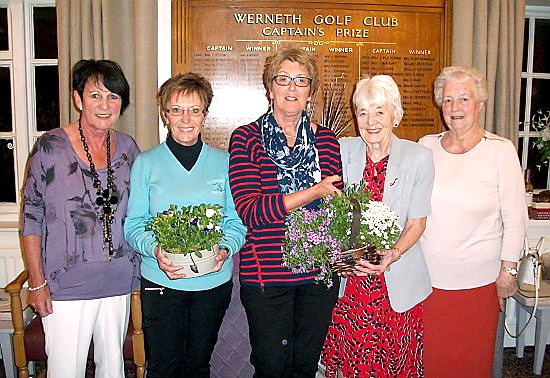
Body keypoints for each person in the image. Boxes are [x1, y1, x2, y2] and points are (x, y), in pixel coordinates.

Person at [228, 47, 343, 378]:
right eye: (283, 79)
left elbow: (332, 209)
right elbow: (252, 211)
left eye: (301, 81)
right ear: (270, 87)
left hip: (318, 276)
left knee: (305, 367)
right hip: (267, 275)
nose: (292, 88)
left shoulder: (326, 140)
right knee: (271, 367)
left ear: (310, 91)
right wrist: (313, 192)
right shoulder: (247, 138)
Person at [21, 59, 140, 377]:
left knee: (112, 369)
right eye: (95, 95)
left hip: (117, 281)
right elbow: (31, 217)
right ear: (77, 98)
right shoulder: (50, 147)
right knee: (65, 370)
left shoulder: (128, 148)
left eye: (113, 97)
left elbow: (139, 211)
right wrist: (37, 282)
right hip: (66, 285)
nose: (105, 105)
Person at [124, 72, 247, 378]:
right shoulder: (147, 163)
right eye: (176, 110)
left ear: (205, 114)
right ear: (165, 114)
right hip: (161, 283)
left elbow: (236, 222)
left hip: (212, 284)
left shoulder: (225, 162)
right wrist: (156, 249)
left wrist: (226, 249)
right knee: (164, 368)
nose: (185, 119)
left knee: (197, 366)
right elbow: (134, 224)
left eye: (194, 110)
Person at [320, 75, 434, 377]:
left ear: (395, 114)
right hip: (353, 280)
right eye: (363, 112)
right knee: (352, 362)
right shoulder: (341, 150)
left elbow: (417, 221)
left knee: (394, 362)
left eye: (379, 111)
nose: (371, 121)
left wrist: (392, 253)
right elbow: (329, 213)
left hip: (396, 282)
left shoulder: (419, 158)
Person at [418, 65, 526, 378]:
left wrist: (508, 270)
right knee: (434, 362)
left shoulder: (500, 151)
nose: (455, 108)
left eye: (463, 99)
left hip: (479, 284)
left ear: (479, 103)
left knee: (472, 362)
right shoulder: (426, 147)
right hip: (430, 283)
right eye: (448, 100)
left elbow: (515, 217)